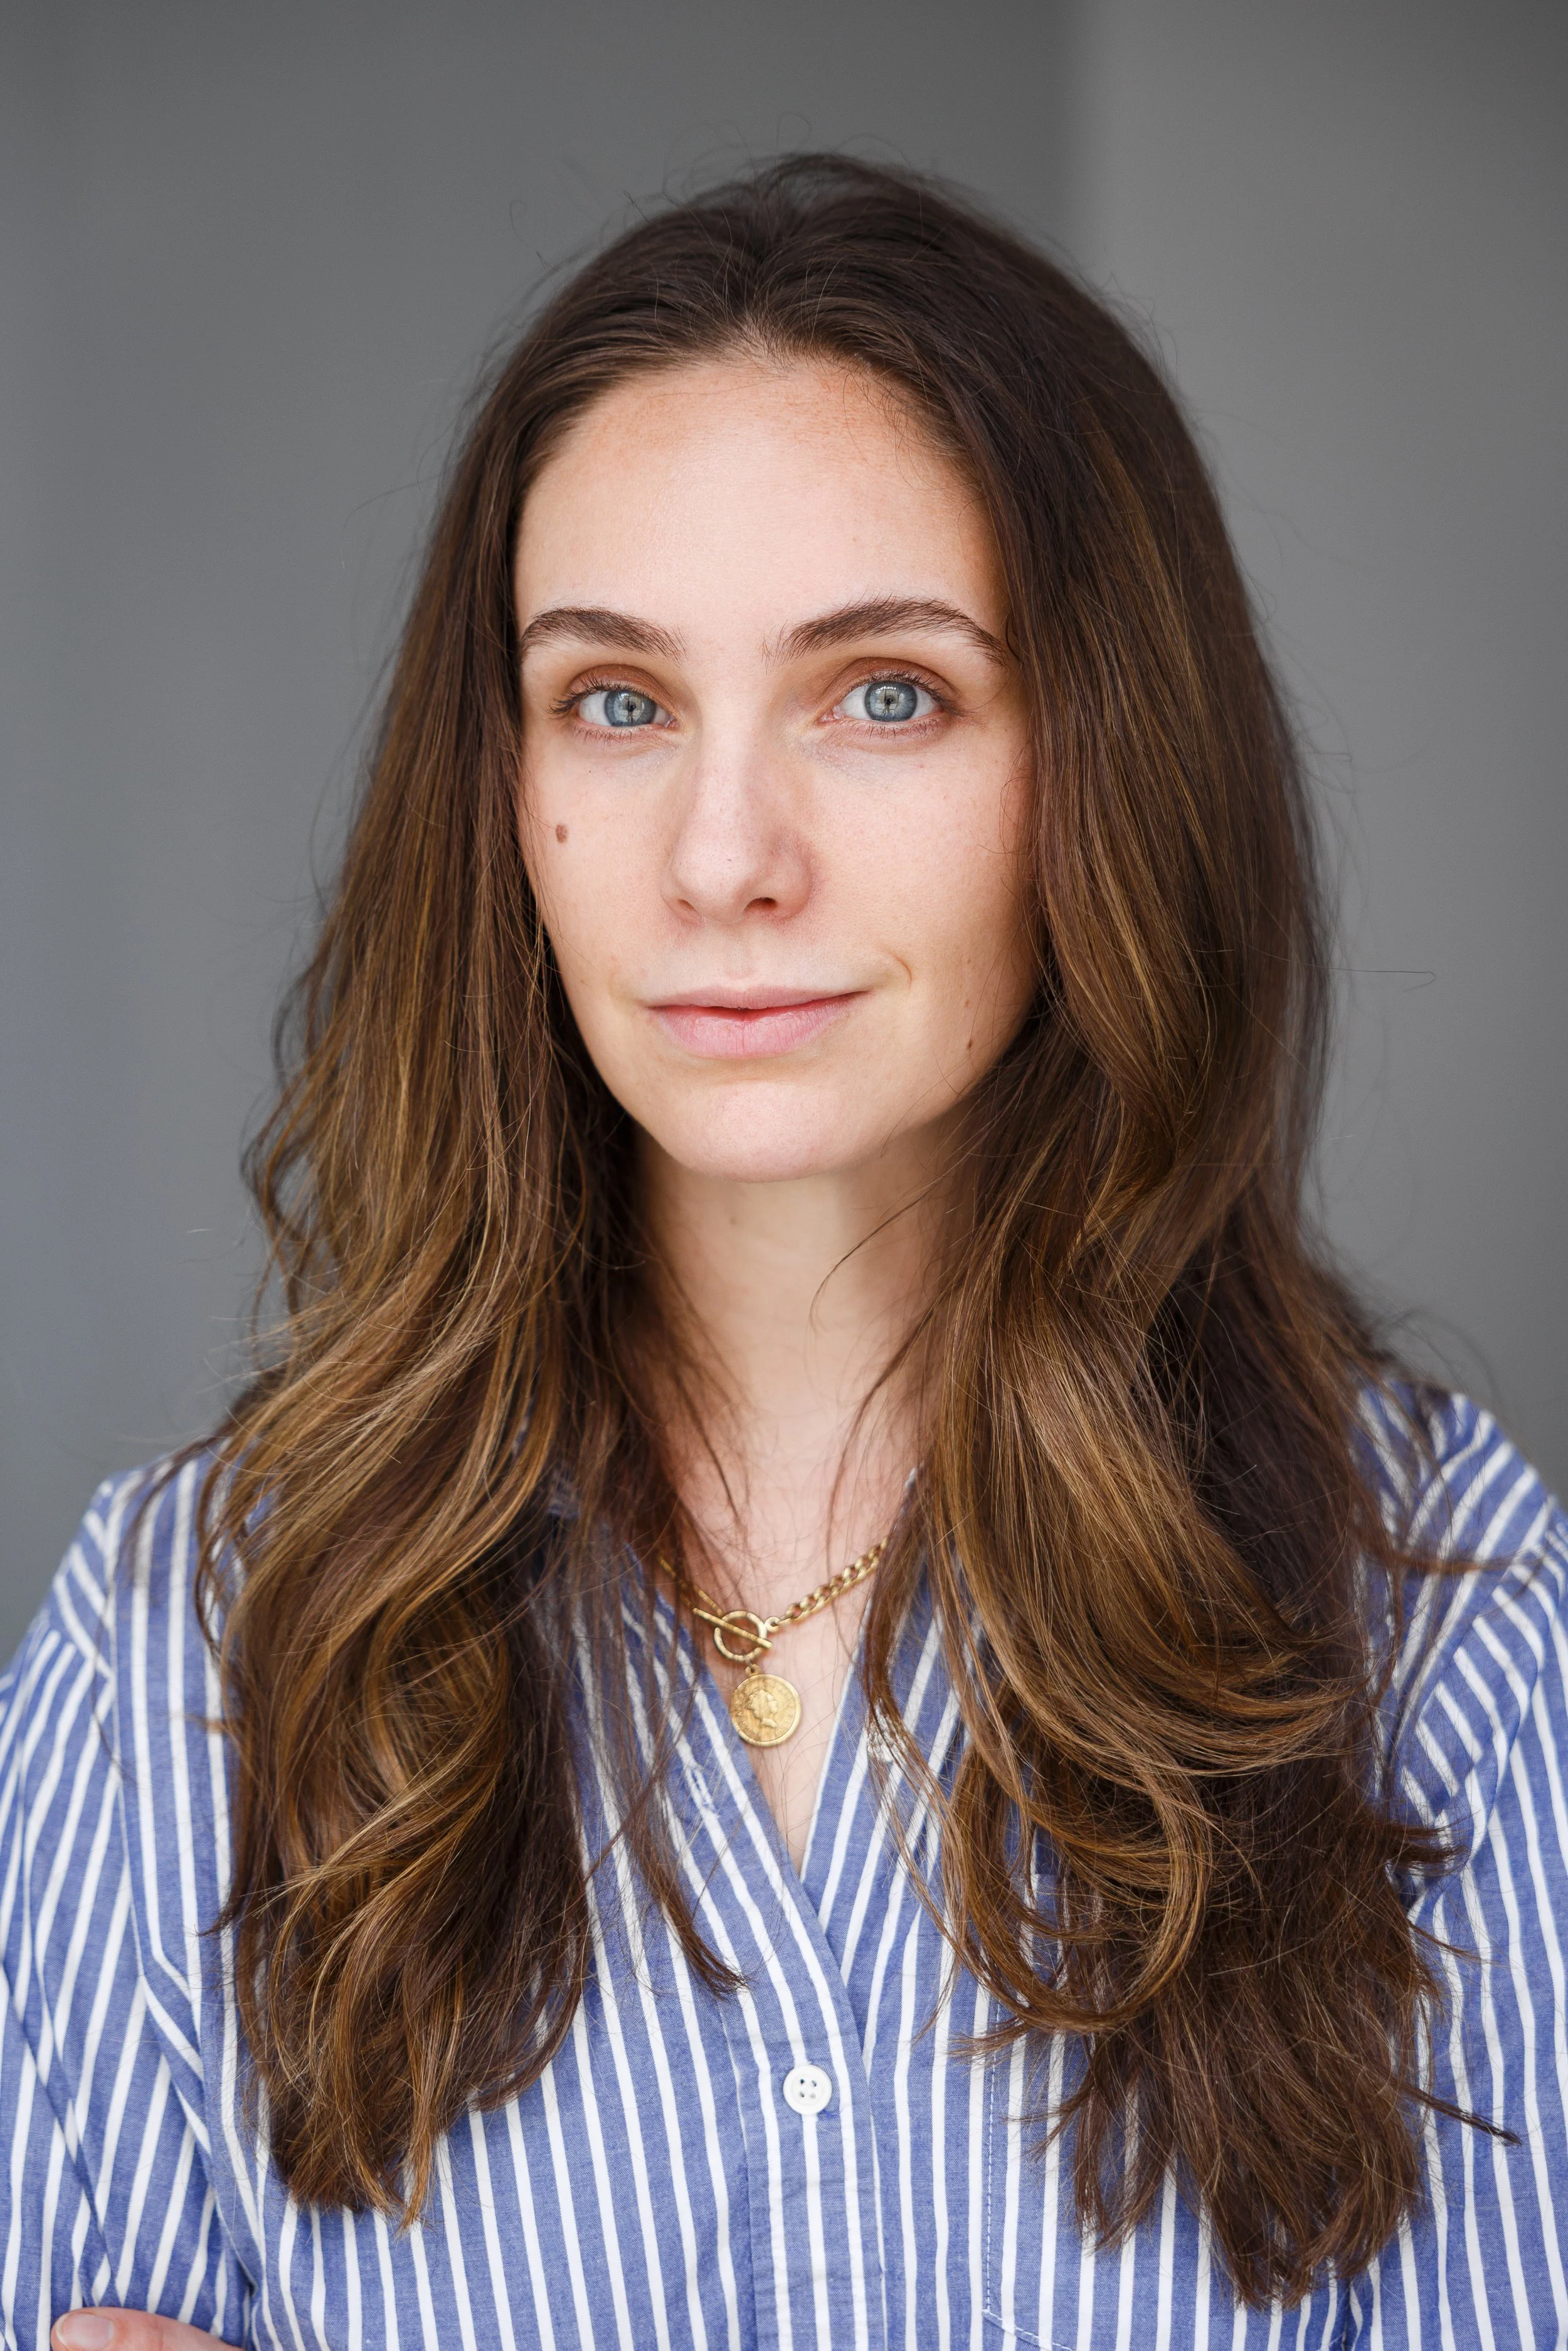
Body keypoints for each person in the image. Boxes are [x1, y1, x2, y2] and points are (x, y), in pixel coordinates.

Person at [4, 154, 1564, 2351]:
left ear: (1104, 766)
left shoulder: (1445, 1637)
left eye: (885, 692)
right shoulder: (186, 1654)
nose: (722, 854)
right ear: (508, 786)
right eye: (616, 702)